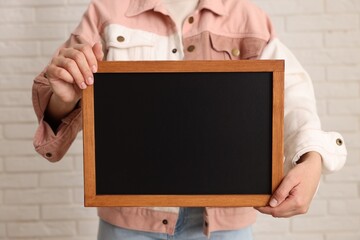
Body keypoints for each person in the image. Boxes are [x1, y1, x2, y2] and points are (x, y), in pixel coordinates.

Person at [32, 0, 347, 239]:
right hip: (129, 225)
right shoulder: (107, 12)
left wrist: (312, 158)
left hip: (224, 227)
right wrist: (64, 97)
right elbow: (60, 102)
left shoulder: (246, 16)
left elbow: (292, 94)